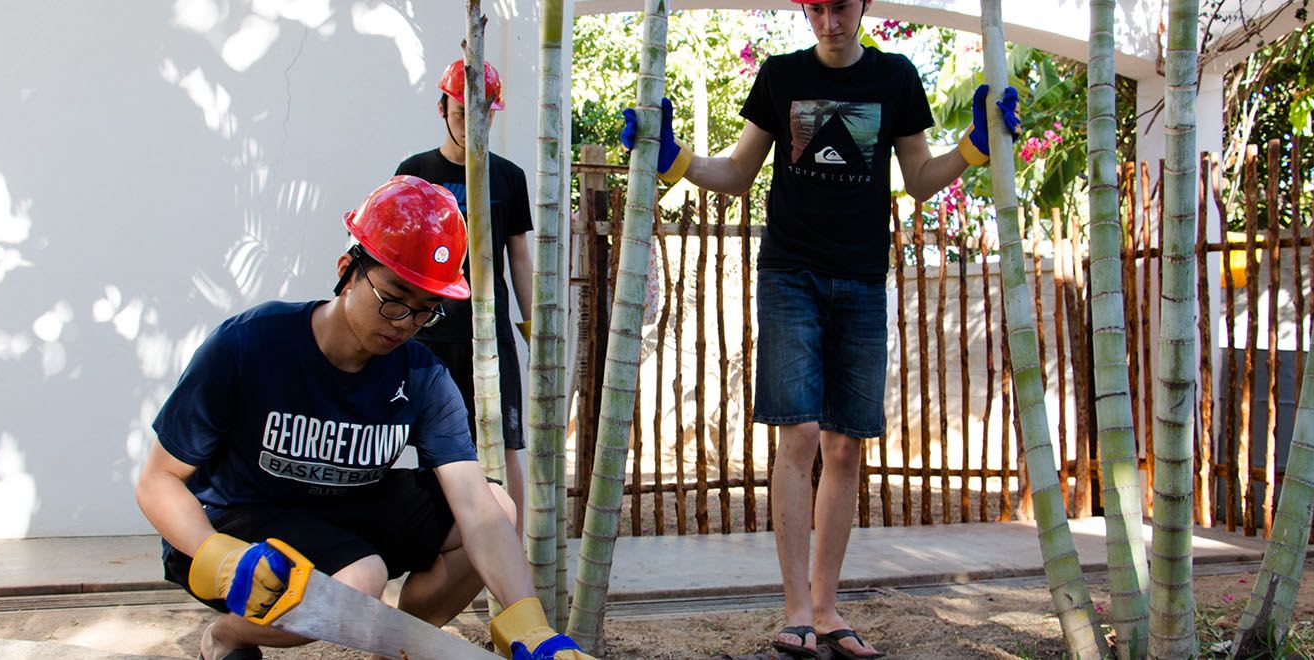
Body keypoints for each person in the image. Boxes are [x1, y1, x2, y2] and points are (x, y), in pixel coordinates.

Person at [620, 0, 1020, 657]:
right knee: (798, 432)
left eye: (839, 6)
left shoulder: (895, 76)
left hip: (862, 278)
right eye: (815, 7)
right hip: (791, 274)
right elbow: (737, 173)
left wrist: (975, 147)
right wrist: (672, 157)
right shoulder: (779, 75)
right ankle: (796, 609)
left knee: (844, 444)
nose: (828, 20)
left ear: (861, 6)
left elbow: (919, 179)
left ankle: (829, 610)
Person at [134, 175, 590, 660]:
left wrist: (530, 625)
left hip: (345, 507)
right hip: (237, 522)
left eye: (424, 310)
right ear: (347, 271)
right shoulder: (249, 344)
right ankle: (227, 636)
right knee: (360, 578)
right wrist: (221, 558)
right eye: (393, 298)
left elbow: (475, 508)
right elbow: (157, 480)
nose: (404, 323)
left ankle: (397, 650)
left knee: (497, 505)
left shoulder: (422, 377)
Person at [396, 58, 533, 530]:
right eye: (460, 113)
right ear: (442, 109)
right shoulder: (413, 172)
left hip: (490, 333)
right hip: (428, 332)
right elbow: (396, 252)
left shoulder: (509, 176)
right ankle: (441, 544)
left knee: (506, 442)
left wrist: (533, 325)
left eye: (483, 114)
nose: (471, 123)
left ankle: (511, 548)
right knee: (432, 447)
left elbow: (518, 256)